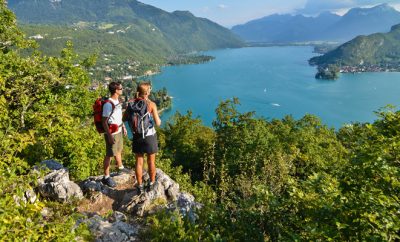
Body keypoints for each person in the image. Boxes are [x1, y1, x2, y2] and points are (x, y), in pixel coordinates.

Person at [126, 82, 161, 194]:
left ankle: (140, 185)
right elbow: (158, 123)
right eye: (149, 90)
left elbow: (124, 118)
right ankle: (151, 182)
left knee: (139, 162)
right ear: (147, 92)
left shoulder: (131, 104)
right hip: (149, 136)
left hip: (137, 136)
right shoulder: (151, 104)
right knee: (151, 162)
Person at [102, 82, 127, 187]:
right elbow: (104, 121)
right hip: (112, 133)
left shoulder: (117, 101)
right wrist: (109, 136)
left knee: (118, 150)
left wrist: (123, 126)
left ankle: (120, 168)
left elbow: (118, 117)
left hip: (119, 130)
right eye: (121, 88)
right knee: (109, 155)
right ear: (116, 90)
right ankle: (106, 177)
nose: (122, 89)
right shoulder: (108, 104)